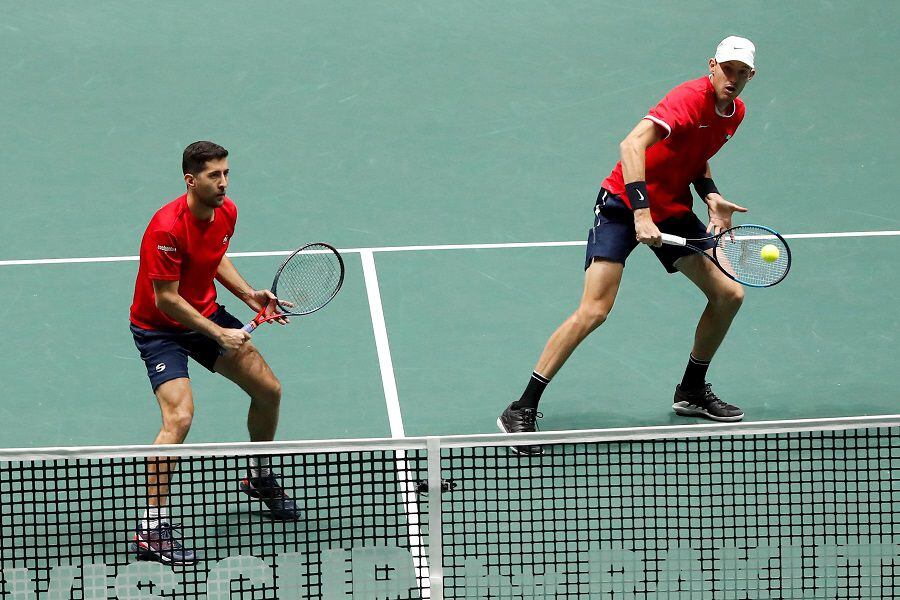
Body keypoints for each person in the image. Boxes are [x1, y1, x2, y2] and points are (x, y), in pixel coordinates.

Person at [499, 37, 758, 455]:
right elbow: (631, 145)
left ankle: (691, 390)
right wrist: (641, 213)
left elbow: (695, 151)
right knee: (595, 310)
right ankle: (521, 407)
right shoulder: (687, 98)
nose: (732, 78)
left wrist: (710, 194)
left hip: (671, 209)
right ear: (712, 65)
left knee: (729, 294)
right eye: (726, 68)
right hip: (623, 204)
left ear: (751, 75)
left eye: (741, 71)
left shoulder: (735, 113)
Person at [129, 141, 298, 564]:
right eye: (213, 175)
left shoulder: (227, 212)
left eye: (226, 173)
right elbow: (166, 299)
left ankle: (258, 477)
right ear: (191, 180)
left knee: (269, 391)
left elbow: (215, 257)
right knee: (179, 417)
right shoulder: (165, 228)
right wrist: (218, 334)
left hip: (204, 313)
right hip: (160, 330)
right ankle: (151, 528)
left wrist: (249, 297)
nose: (223, 182)